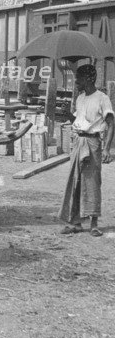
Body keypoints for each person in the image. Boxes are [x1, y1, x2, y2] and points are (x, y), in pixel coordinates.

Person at [59, 64, 114, 237]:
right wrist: (66, 113)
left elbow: (111, 124)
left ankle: (94, 224)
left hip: (93, 143)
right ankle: (75, 222)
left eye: (79, 78)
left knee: (91, 183)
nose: (75, 81)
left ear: (89, 79)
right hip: (78, 141)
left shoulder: (102, 98)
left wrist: (106, 149)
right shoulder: (80, 98)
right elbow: (78, 120)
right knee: (74, 181)